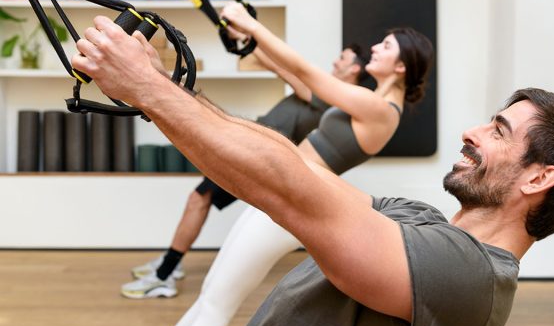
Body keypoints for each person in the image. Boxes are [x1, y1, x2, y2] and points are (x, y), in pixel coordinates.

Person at [73, 13, 554, 326]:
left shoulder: (471, 281)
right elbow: (295, 166)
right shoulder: (417, 220)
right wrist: (163, 87)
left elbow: (285, 185)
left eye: (498, 131)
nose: (471, 132)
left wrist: (147, 88)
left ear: (540, 177)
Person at [103, 3, 434, 326]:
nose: (375, 50)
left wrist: (254, 27)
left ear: (402, 67)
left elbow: (309, 72)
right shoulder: (363, 98)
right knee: (210, 294)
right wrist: (251, 40)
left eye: (386, 46)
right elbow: (298, 76)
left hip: (293, 205)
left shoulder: (382, 110)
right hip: (278, 194)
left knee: (217, 307)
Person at [121, 41, 370, 298]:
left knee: (199, 199)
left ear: (354, 69)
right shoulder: (329, 95)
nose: (336, 62)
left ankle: (164, 274)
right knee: (200, 198)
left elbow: (284, 70)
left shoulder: (330, 97)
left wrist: (252, 43)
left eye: (343, 58)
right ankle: (169, 263)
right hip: (248, 145)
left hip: (255, 155)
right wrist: (249, 43)